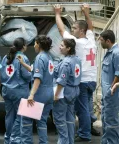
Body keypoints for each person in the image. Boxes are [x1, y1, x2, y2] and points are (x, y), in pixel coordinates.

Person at [54, 4, 100, 142]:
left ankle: (85, 134)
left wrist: (57, 13)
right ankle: (86, 129)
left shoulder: (76, 42)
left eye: (74, 28)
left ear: (81, 31)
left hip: (83, 81)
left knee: (82, 109)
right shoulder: (91, 40)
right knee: (88, 107)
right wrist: (86, 13)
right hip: (92, 79)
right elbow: (90, 27)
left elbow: (61, 30)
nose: (72, 30)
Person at [21, 35, 54, 144]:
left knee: (26, 118)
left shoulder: (40, 58)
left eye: (35, 43)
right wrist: (23, 64)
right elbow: (35, 70)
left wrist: (31, 95)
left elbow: (37, 78)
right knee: (42, 121)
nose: (34, 45)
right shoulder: (49, 57)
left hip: (40, 93)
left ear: (39, 44)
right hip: (49, 93)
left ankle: (26, 142)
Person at [0, 37, 31, 144]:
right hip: (19, 91)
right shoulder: (22, 58)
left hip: (6, 90)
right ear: (23, 47)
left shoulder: (5, 57)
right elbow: (27, 76)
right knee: (20, 116)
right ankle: (15, 139)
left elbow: (2, 73)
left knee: (9, 115)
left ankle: (7, 138)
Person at [52, 38, 81, 144]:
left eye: (62, 46)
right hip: (74, 91)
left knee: (59, 118)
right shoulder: (77, 59)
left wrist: (56, 95)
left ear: (68, 48)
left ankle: (63, 141)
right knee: (70, 118)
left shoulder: (66, 63)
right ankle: (69, 141)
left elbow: (61, 82)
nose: (60, 47)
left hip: (64, 92)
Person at [99, 30, 119, 144]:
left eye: (101, 40)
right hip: (107, 94)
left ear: (108, 41)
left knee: (111, 121)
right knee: (105, 120)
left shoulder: (116, 53)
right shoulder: (110, 52)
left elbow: (118, 73)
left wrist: (112, 89)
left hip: (112, 94)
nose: (100, 43)